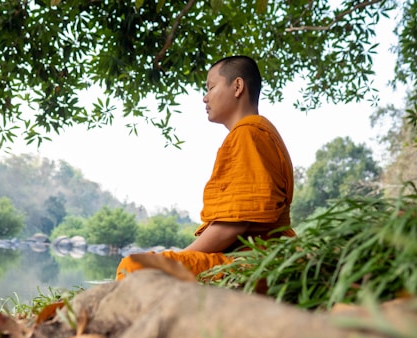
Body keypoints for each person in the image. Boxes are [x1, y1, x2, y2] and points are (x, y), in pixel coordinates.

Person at [115, 55, 296, 281]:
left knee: (134, 267)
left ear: (237, 86)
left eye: (211, 87)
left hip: (258, 263)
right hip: (266, 258)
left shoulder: (248, 134)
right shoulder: (257, 132)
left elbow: (232, 226)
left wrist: (180, 258)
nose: (205, 97)